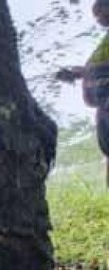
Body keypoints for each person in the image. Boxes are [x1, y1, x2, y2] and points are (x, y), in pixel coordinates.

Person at [57, 0, 109, 179]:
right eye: (96, 15)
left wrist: (87, 72)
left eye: (101, 12)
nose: (99, 19)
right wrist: (76, 73)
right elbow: (95, 68)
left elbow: (99, 69)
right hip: (104, 109)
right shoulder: (105, 42)